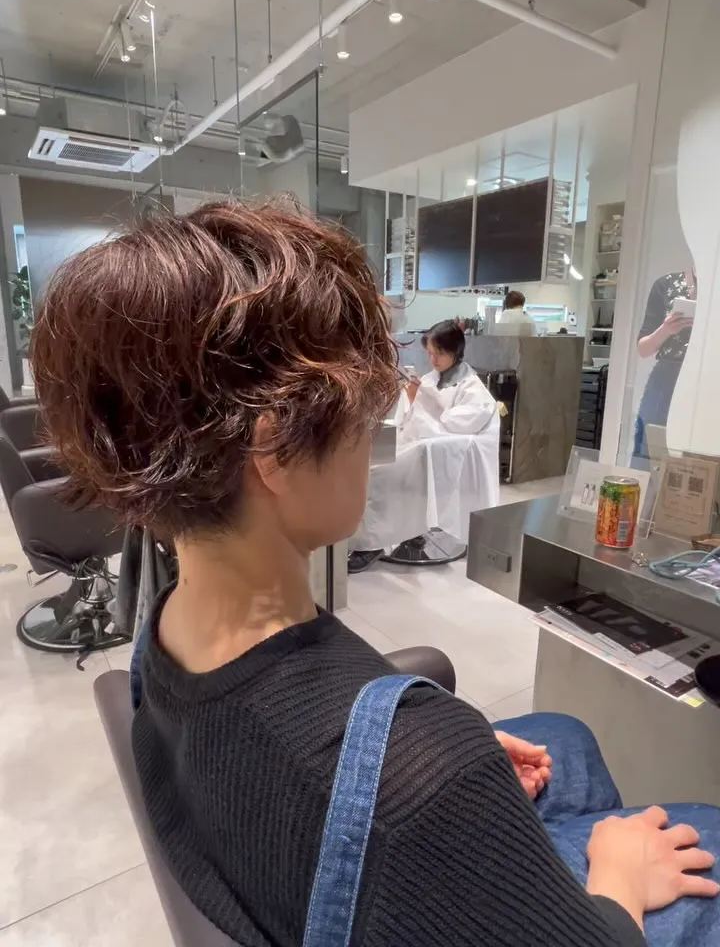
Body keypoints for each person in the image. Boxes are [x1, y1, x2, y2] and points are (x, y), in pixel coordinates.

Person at [31, 200, 720, 947]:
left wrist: (424, 768)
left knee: (566, 735)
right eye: (365, 415)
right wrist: (618, 877)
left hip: (291, 854)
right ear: (276, 450)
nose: (370, 437)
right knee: (705, 831)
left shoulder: (167, 620)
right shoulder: (427, 777)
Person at [348, 319, 499, 573]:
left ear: (455, 351)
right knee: (372, 464)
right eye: (429, 353)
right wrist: (412, 397)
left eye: (439, 353)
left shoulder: (473, 389)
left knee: (383, 475)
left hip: (447, 453)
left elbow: (459, 424)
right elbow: (410, 419)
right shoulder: (430, 380)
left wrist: (427, 401)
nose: (433, 360)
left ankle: (373, 544)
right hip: (423, 446)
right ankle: (389, 533)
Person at [633, 270, 696, 461]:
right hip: (667, 377)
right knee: (650, 446)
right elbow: (643, 349)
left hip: (709, 378)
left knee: (699, 454)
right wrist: (666, 329)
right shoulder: (666, 284)